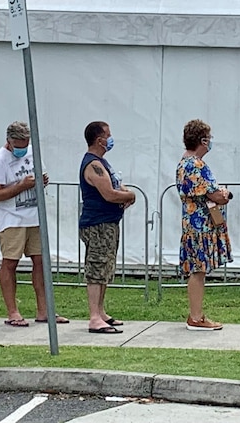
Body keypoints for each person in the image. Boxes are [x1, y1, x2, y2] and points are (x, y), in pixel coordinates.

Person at [0, 121, 67, 327]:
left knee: (41, 262)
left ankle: (44, 310)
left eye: (26, 142)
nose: (23, 147)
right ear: (10, 141)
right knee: (10, 262)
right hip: (12, 219)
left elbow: (40, 176)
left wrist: (43, 180)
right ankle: (13, 311)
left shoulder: (33, 153)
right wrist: (21, 186)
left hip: (35, 216)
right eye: (19, 143)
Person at [80, 121, 135, 334]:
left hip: (109, 223)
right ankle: (94, 317)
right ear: (99, 139)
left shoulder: (103, 163)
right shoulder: (92, 164)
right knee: (96, 267)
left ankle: (101, 312)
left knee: (105, 268)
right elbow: (109, 194)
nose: (111, 139)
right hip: (97, 224)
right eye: (108, 135)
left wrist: (125, 193)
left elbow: (115, 186)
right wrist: (130, 195)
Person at [177, 119, 233, 330]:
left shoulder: (183, 162)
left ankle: (197, 315)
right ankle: (196, 317)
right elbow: (213, 194)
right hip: (200, 225)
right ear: (202, 140)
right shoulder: (196, 165)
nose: (210, 142)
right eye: (208, 138)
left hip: (191, 222)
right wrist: (224, 194)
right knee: (198, 271)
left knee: (197, 269)